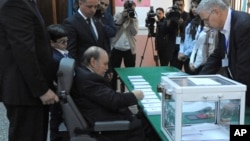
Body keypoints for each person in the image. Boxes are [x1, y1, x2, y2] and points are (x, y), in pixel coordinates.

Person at [0, 0, 59, 141]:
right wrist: (41, 90)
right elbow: (24, 50)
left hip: (28, 91)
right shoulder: (15, 3)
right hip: (26, 92)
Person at [71, 46, 146, 141]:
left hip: (98, 113)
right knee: (138, 125)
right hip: (103, 124)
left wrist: (125, 96)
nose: (107, 68)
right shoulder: (88, 79)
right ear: (93, 62)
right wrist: (133, 96)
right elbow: (113, 100)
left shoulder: (84, 73)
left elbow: (106, 95)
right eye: (105, 64)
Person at [197, 0, 250, 106]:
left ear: (216, 12)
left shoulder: (244, 25)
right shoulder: (223, 26)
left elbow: (245, 68)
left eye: (206, 20)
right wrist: (199, 80)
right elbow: (217, 56)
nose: (206, 24)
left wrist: (236, 98)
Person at [47, 24, 71, 141]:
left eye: (67, 41)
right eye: (62, 42)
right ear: (51, 42)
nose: (66, 44)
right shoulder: (54, 58)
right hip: (58, 92)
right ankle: (55, 137)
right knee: (56, 117)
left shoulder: (62, 52)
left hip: (63, 91)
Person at [110, 0, 138, 90]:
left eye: (133, 9)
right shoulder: (118, 15)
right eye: (130, 9)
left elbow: (134, 32)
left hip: (129, 49)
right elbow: (114, 29)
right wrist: (123, 18)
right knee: (114, 71)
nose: (132, 11)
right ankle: (113, 91)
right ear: (125, 8)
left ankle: (131, 92)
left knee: (131, 73)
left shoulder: (134, 17)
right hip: (116, 48)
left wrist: (131, 21)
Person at [177, 0, 202, 75]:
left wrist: (186, 53)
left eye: (196, 7)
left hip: (193, 57)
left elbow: (196, 42)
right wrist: (181, 51)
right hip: (185, 57)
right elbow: (183, 38)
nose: (194, 9)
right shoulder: (188, 20)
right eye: (192, 7)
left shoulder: (202, 22)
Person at [168, 0, 189, 70]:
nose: (180, 7)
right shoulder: (171, 15)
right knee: (174, 72)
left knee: (188, 73)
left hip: (185, 49)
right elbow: (165, 30)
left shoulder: (188, 16)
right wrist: (168, 20)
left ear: (184, 5)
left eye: (181, 5)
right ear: (173, 5)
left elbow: (190, 32)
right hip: (174, 49)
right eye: (177, 5)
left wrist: (182, 24)